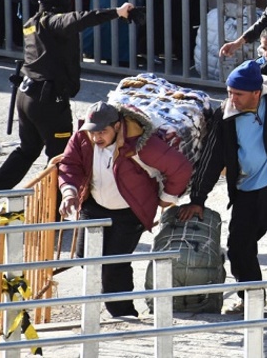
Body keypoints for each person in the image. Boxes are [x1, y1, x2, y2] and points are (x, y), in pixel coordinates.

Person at [0, 0, 134, 222]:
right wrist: (117, 12)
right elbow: (80, 19)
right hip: (48, 103)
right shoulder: (54, 21)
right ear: (60, 0)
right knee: (61, 158)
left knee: (27, 151)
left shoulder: (31, 24)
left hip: (27, 97)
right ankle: (50, 216)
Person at [182, 60, 267, 311]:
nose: (231, 98)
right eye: (229, 92)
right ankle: (252, 300)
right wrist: (198, 198)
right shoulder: (225, 114)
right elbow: (212, 157)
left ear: (257, 93)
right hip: (246, 189)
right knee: (238, 247)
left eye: (238, 94)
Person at [58, 102, 192, 317]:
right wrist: (69, 192)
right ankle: (109, 301)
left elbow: (180, 168)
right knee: (85, 258)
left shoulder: (141, 144)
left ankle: (124, 314)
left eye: (102, 132)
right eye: (92, 132)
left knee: (114, 265)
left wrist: (167, 198)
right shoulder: (83, 137)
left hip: (130, 212)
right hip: (94, 207)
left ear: (118, 126)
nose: (96, 138)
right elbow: (69, 164)